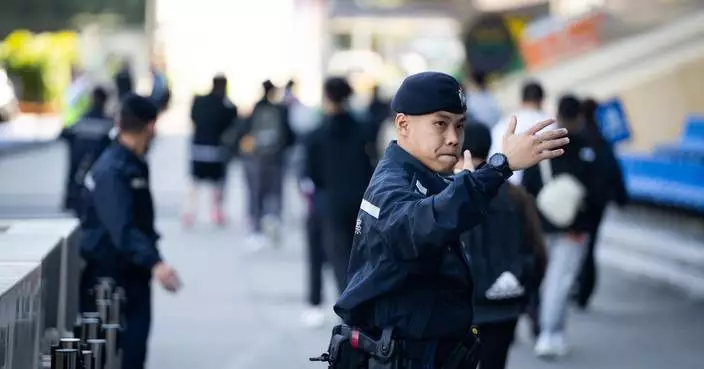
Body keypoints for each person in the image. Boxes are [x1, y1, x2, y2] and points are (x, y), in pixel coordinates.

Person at [331, 71, 569, 369]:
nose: (453, 138)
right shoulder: (391, 185)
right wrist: (499, 168)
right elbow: (421, 225)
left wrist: (462, 185)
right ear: (402, 124)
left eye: (460, 125)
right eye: (440, 124)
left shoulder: (423, 176)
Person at [78, 94, 182, 369]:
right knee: (120, 355)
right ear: (150, 127)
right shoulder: (112, 169)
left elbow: (141, 224)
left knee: (133, 353)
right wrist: (156, 263)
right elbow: (121, 228)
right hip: (109, 278)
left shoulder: (133, 163)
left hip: (133, 273)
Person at [455, 123, 547, 369]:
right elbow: (538, 251)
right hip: (506, 302)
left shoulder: (452, 195)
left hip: (464, 306)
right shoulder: (517, 196)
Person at [522, 94, 601, 359]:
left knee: (548, 281)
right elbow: (595, 191)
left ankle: (554, 333)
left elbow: (529, 185)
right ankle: (548, 333)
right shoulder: (585, 147)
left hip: (543, 225)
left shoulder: (545, 145)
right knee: (560, 282)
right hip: (573, 228)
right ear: (579, 115)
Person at [301, 77, 374, 327]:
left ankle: (315, 304)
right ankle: (352, 302)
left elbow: (310, 173)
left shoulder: (317, 133)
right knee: (354, 255)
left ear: (327, 97)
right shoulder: (363, 129)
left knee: (320, 251)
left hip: (326, 201)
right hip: (359, 201)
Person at [573, 98, 629, 309]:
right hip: (599, 202)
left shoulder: (576, 139)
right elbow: (613, 170)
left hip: (580, 202)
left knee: (577, 244)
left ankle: (578, 285)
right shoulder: (602, 140)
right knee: (591, 245)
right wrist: (620, 197)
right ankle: (584, 290)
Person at [239, 80, 296, 249]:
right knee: (276, 192)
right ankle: (274, 218)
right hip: (276, 158)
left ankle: (256, 228)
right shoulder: (280, 109)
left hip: (256, 159)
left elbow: (243, 131)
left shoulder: (256, 108)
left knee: (255, 193)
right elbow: (289, 135)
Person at [182, 75, 238, 226]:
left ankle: (189, 212)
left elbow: (193, 117)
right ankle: (216, 212)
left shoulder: (199, 101)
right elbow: (231, 123)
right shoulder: (225, 106)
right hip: (216, 149)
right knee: (217, 183)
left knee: (195, 182)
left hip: (198, 147)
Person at [60, 86, 114, 215]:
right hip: (95, 157)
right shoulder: (106, 121)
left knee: (73, 175)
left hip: (77, 152)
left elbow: (65, 133)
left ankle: (70, 200)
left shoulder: (82, 117)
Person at [490, 80, 553, 185]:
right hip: (531, 187)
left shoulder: (501, 124)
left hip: (499, 185)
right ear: (541, 101)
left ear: (522, 100)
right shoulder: (546, 122)